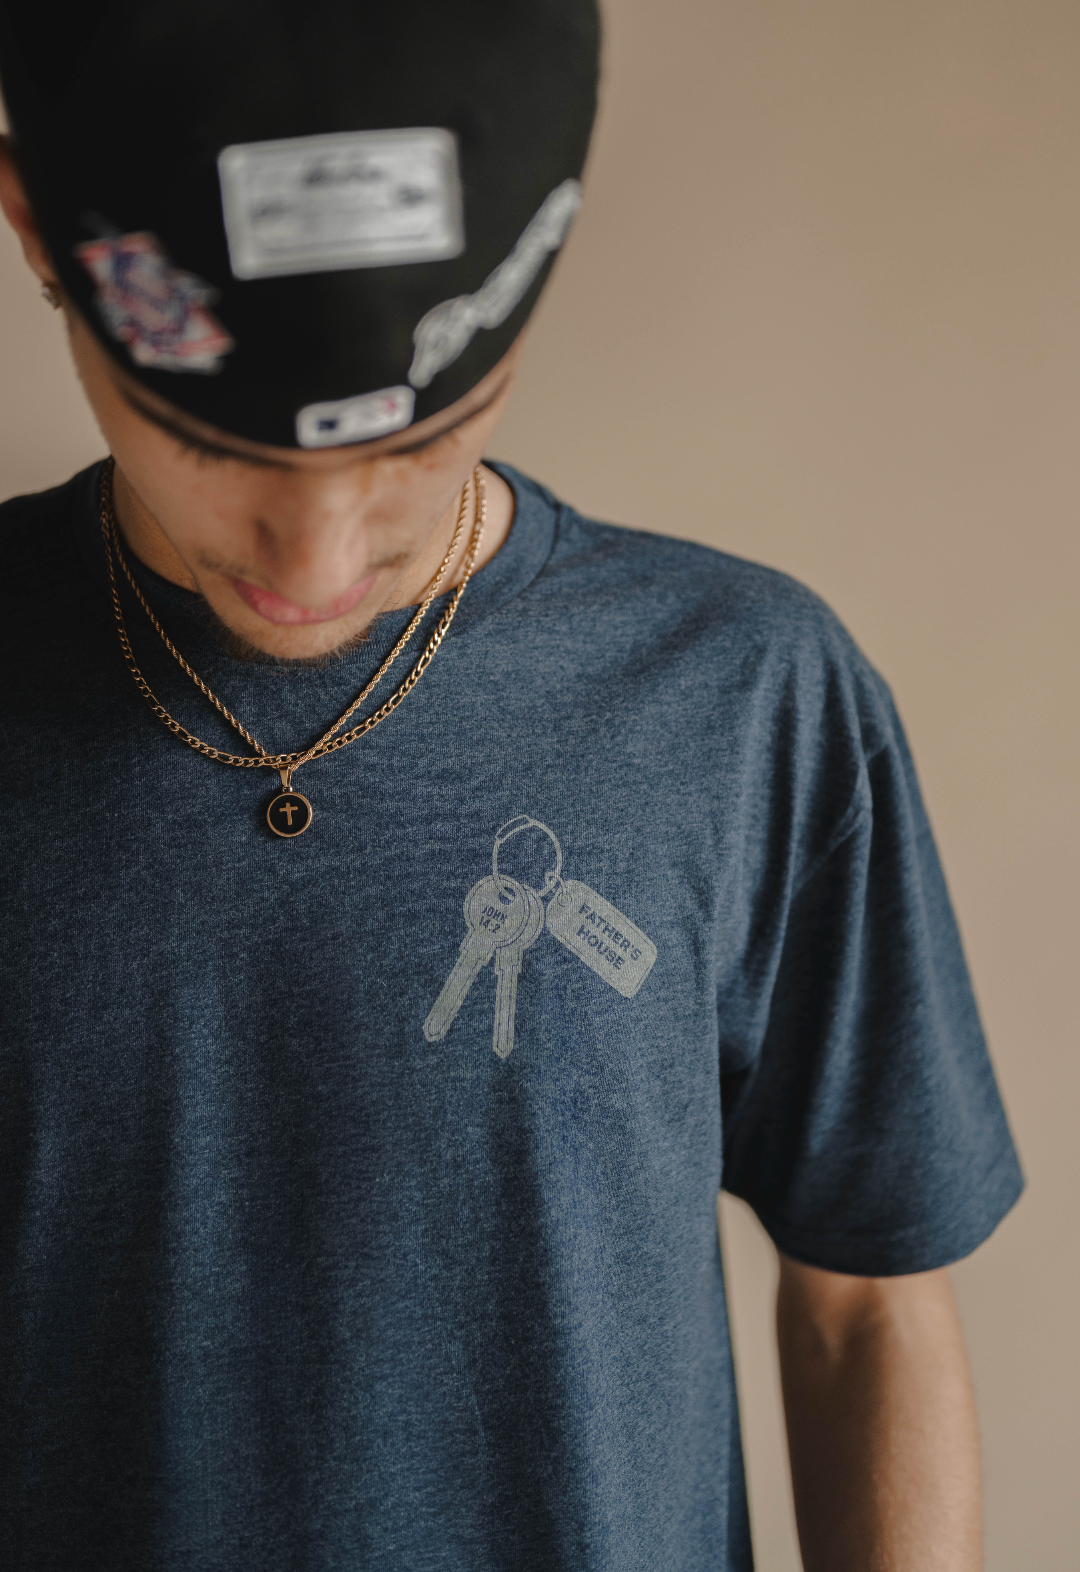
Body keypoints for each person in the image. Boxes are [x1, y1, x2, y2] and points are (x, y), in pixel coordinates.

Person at [0, 3, 1022, 1569]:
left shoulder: (745, 691)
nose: (316, 561)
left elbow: (865, 1304)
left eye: (417, 444)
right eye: (215, 443)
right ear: (34, 235)